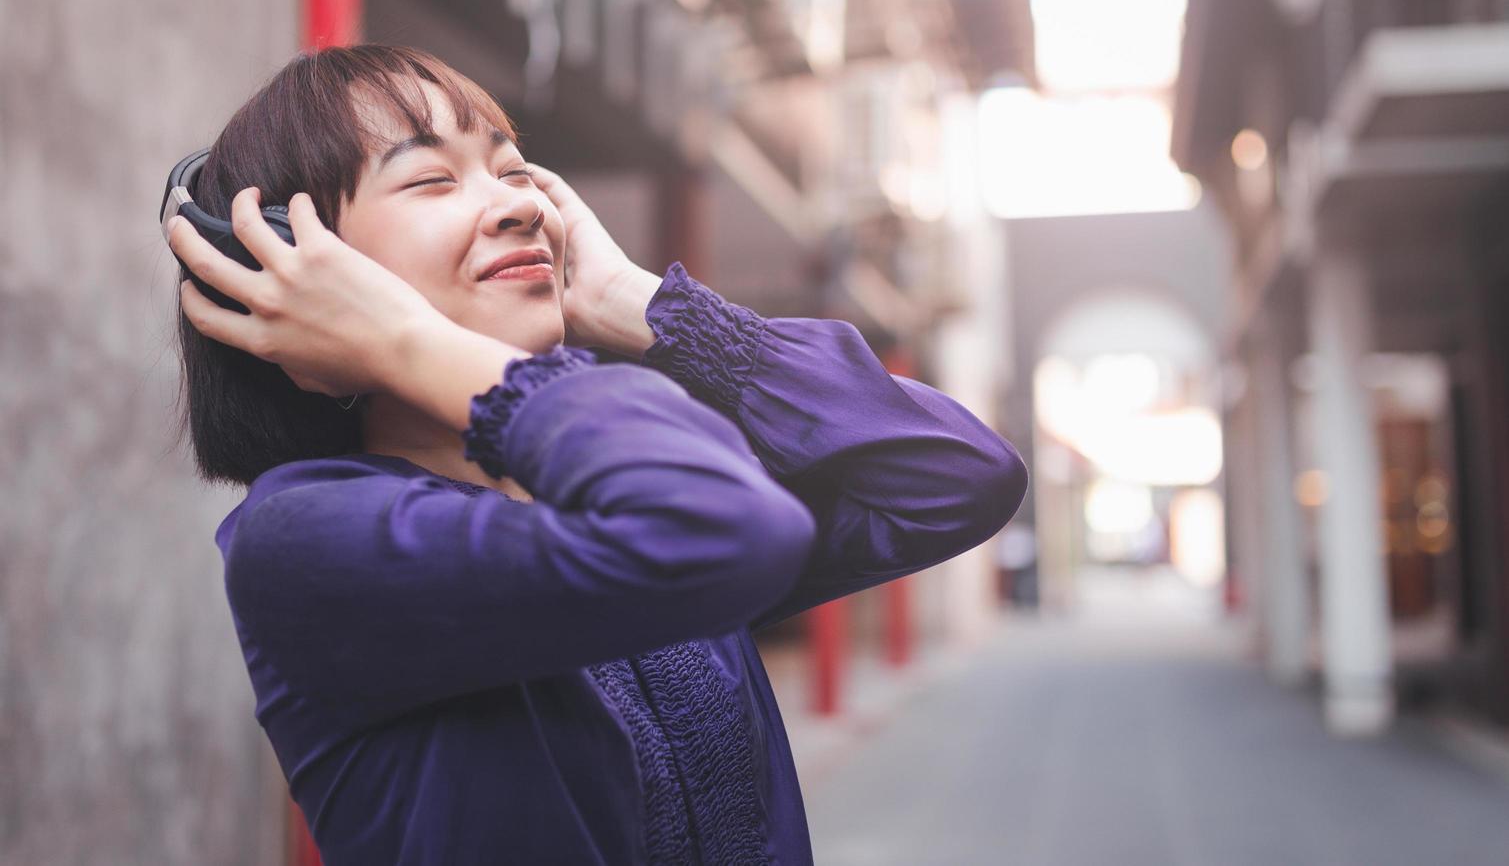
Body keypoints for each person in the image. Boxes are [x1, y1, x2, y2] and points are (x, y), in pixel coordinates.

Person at [167, 44, 1029, 865]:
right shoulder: (309, 541)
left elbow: (953, 475)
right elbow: (717, 526)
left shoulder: (602, 483)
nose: (524, 208)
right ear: (284, 262)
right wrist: (403, 343)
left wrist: (640, 304)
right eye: (430, 179)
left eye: (513, 172)